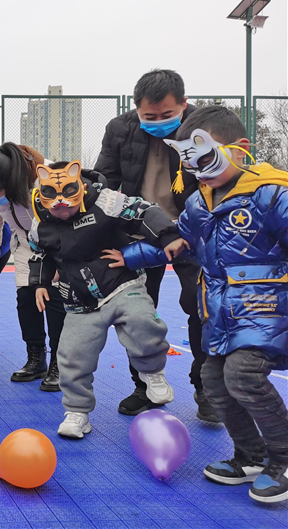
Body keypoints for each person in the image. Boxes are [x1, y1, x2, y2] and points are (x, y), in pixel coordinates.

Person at [119, 106, 288, 503]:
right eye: (190, 164)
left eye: (206, 158)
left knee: (244, 376)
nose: (199, 171)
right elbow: (180, 244)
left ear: (240, 149)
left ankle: (282, 458)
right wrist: (129, 257)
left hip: (267, 309)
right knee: (213, 380)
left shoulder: (272, 195)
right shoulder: (199, 203)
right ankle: (251, 455)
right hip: (221, 313)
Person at [94, 69, 216, 421]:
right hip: (140, 231)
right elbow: (105, 183)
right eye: (150, 116)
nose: (159, 122)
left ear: (184, 104)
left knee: (202, 306)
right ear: (136, 108)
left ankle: (207, 388)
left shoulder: (203, 127)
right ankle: (145, 385)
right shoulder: (119, 130)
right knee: (138, 313)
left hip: (193, 232)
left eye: (168, 115)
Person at [28, 159, 183, 438]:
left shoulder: (105, 201)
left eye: (69, 205)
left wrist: (167, 235)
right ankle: (77, 412)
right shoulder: (40, 224)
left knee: (143, 321)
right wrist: (39, 283)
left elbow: (144, 211)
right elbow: (41, 254)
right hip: (79, 299)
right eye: (56, 208)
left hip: (120, 283)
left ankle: (153, 373)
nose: (63, 212)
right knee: (71, 355)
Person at [0, 143, 65, 390]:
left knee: (55, 302)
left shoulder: (47, 180)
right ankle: (36, 358)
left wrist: (61, 263)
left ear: (12, 181)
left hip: (58, 247)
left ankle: (60, 363)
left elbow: (66, 223)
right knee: (26, 300)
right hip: (25, 245)